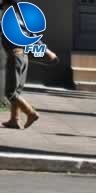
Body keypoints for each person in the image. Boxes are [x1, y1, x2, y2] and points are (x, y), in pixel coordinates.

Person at [1, 0, 39, 129]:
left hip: (14, 57)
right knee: (16, 91)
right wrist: (48, 52)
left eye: (3, 6)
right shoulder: (22, 21)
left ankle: (30, 113)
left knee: (10, 93)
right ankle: (14, 119)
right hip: (24, 57)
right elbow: (35, 37)